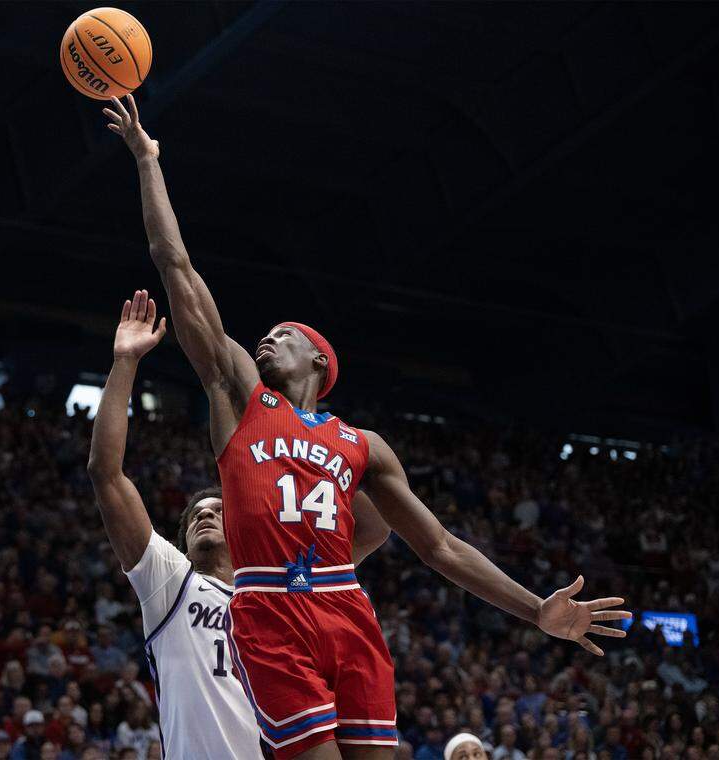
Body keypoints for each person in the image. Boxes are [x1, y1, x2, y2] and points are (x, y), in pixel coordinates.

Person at [104, 94, 632, 760]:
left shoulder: (363, 446)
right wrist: (148, 162)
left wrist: (536, 612)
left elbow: (438, 546)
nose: (267, 336)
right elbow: (175, 265)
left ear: (319, 360)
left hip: (346, 606)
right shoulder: (239, 395)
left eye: (285, 334)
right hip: (269, 605)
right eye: (265, 333)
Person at [87, 292, 390, 759]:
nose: (206, 514)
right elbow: (106, 475)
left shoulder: (294, 583)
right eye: (195, 517)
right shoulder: (172, 581)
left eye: (218, 510)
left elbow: (376, 530)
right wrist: (125, 361)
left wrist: (326, 469)